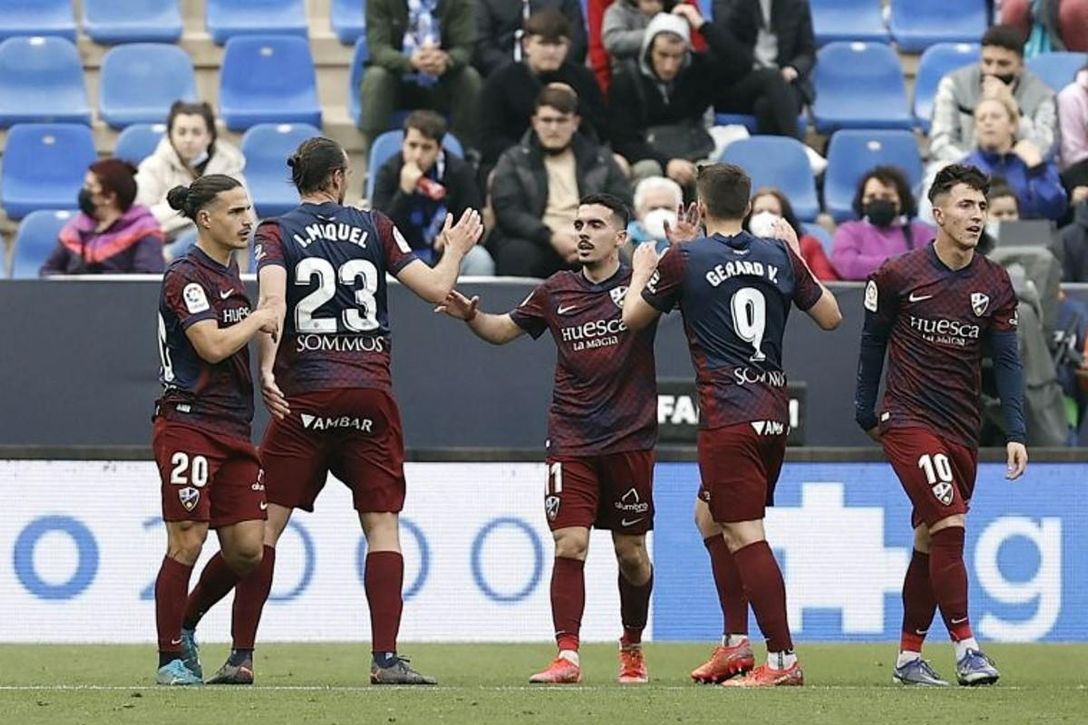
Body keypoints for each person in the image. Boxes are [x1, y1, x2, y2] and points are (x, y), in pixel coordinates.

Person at [247, 137, 483, 686]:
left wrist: (265, 368)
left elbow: (272, 306)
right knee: (381, 526)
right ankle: (385, 659)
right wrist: (455, 249)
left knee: (264, 529)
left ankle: (241, 656)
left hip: (302, 394)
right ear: (336, 178)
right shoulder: (375, 226)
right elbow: (437, 288)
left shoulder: (274, 232)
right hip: (367, 391)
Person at [436, 193, 674, 684]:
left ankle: (631, 645)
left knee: (631, 555)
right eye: (578, 223)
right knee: (571, 544)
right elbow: (502, 330)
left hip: (629, 439)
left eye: (596, 225)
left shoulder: (639, 287)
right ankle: (567, 655)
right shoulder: (555, 290)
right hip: (572, 438)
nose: (583, 232)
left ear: (621, 237)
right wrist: (471, 317)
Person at [623, 163, 842, 687]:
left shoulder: (684, 257)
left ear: (699, 204)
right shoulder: (779, 253)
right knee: (708, 517)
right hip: (772, 411)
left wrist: (643, 270)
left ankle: (783, 660)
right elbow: (832, 316)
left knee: (744, 531)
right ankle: (735, 645)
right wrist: (793, 257)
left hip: (728, 414)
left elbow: (632, 318)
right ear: (748, 207)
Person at [854, 163, 1028, 687]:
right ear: (938, 213)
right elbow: (871, 343)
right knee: (950, 522)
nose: (976, 215)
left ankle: (909, 658)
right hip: (907, 418)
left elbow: (1008, 362)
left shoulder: (995, 282)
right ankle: (967, 648)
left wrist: (1016, 430)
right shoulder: (898, 274)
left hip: (961, 427)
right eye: (965, 205)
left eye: (981, 206)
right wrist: (867, 411)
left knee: (931, 537)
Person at [150, 175, 279, 686]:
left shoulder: (231, 274)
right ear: (206, 219)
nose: (247, 220)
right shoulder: (185, 275)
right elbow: (211, 346)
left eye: (249, 209)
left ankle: (184, 622)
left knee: (248, 548)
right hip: (188, 421)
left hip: (232, 426)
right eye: (235, 211)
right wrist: (261, 316)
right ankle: (169, 660)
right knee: (188, 538)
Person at [490, 84, 631, 278]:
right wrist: (551, 236)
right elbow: (508, 211)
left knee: (617, 258)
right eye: (547, 120)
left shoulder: (600, 159)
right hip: (537, 239)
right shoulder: (514, 160)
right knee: (515, 253)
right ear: (535, 122)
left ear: (575, 122)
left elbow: (621, 205)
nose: (553, 128)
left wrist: (589, 234)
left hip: (590, 236)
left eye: (561, 120)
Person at [607, 7, 748, 185]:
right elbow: (622, 139)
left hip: (693, 153)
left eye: (677, 57)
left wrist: (701, 24)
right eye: (663, 55)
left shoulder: (698, 70)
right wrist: (667, 163)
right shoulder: (627, 80)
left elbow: (741, 63)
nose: (669, 66)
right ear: (649, 50)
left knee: (713, 174)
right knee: (648, 169)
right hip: (648, 156)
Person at [479, 9, 609, 172]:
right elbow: (490, 139)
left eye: (558, 44)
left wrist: (575, 104)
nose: (551, 52)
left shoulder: (583, 78)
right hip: (519, 164)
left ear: (568, 46)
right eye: (543, 43)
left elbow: (602, 130)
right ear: (526, 45)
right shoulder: (501, 81)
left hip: (578, 161)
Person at [371, 110, 494, 274]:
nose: (417, 155)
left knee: (479, 259)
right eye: (412, 145)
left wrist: (453, 238)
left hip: (446, 253)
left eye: (426, 147)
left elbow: (474, 222)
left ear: (439, 149)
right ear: (403, 143)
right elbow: (380, 233)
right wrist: (404, 193)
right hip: (401, 254)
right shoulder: (388, 171)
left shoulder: (459, 171)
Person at [360, 0, 482, 152]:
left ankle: (465, 153)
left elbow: (464, 48)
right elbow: (378, 49)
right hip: (398, 82)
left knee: (469, 78)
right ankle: (374, 156)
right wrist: (409, 61)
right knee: (376, 78)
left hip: (442, 82)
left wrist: (446, 60)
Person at [929, 25, 1058, 166]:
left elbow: (1043, 149)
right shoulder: (953, 84)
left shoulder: (1042, 94)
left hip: (1018, 171)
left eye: (1003, 64)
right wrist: (978, 166)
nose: (993, 71)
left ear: (1021, 65)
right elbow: (940, 144)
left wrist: (1013, 108)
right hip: (963, 169)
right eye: (987, 62)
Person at [136, 101, 247, 253]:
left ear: (209, 136)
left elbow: (246, 219)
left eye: (196, 132)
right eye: (181, 132)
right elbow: (139, 220)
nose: (188, 139)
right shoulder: (153, 166)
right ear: (170, 135)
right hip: (162, 249)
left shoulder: (229, 167)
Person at [710, 0, 817, 139]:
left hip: (784, 84)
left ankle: (771, 157)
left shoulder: (796, 3)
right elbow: (724, 38)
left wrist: (793, 69)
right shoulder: (729, 3)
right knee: (772, 76)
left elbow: (807, 52)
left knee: (766, 105)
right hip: (741, 82)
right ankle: (797, 147)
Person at [40, 159, 165, 276]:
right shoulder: (76, 229)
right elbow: (48, 271)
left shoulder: (144, 231)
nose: (84, 191)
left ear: (109, 197)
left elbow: (146, 281)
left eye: (90, 186)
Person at [964, 96, 1068, 221]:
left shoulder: (1033, 161)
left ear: (1012, 124)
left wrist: (1037, 169)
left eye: (995, 116)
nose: (988, 122)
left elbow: (1055, 209)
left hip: (1031, 237)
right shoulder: (966, 169)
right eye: (981, 119)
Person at [830, 166, 936, 281]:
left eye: (886, 196)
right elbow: (849, 267)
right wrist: (907, 264)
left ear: (901, 200)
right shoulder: (848, 231)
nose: (878, 200)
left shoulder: (923, 234)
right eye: (871, 196)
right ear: (862, 200)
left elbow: (932, 267)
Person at [474, 0, 588, 77]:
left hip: (559, 72)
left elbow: (576, 40)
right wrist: (514, 71)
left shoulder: (565, 2)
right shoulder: (486, 2)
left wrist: (553, 64)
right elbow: (483, 45)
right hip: (501, 73)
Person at [746, 186, 838, 281]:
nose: (765, 217)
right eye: (758, 212)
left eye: (772, 212)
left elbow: (828, 282)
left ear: (785, 217)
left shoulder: (808, 244)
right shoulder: (738, 248)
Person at [627, 175, 684, 253]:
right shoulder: (625, 241)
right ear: (638, 213)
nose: (661, 213)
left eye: (667, 208)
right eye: (653, 209)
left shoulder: (692, 239)